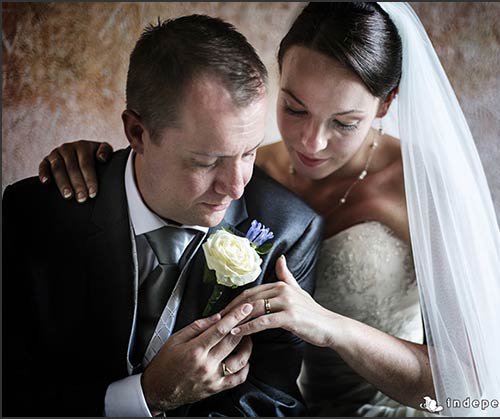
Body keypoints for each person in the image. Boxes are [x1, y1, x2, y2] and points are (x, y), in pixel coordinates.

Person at [36, 3, 500, 417]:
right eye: (294, 108)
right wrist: (100, 164)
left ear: (386, 105)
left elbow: (472, 387)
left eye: (344, 122)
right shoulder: (248, 180)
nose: (310, 142)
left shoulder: (422, 187)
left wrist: (331, 325)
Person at [3, 14, 324, 417]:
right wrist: (144, 396)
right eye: (207, 161)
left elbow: (271, 400)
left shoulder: (287, 230)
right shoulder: (34, 215)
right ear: (137, 133)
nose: (237, 186)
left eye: (249, 152)